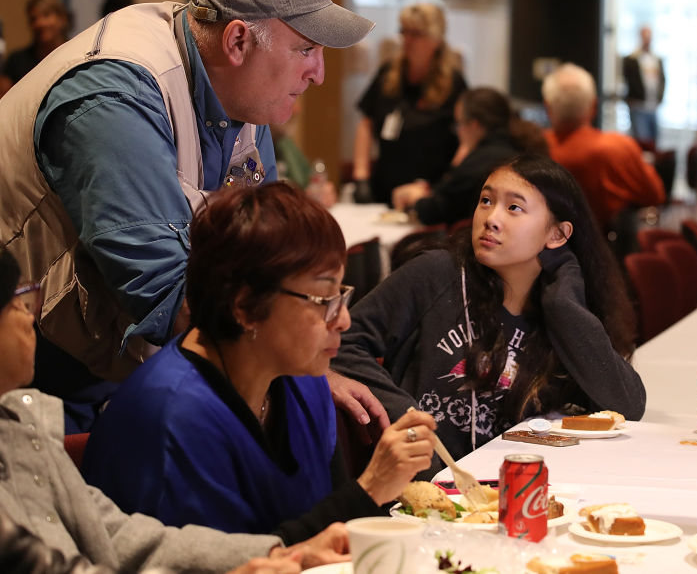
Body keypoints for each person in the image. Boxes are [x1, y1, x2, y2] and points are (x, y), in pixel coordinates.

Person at [0, 0, 380, 433]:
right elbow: (166, 291)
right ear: (238, 41)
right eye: (306, 49)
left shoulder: (241, 91)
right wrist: (303, 368)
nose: (319, 73)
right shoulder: (114, 95)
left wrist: (310, 354)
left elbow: (275, 254)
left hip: (109, 362)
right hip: (37, 378)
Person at [82, 183, 437, 538]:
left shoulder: (304, 381)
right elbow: (228, 564)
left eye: (340, 293)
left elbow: (329, 531)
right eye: (323, 299)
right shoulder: (168, 416)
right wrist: (370, 488)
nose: (343, 319)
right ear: (245, 308)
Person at [0, 245, 353, 574]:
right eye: (18, 300)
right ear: (245, 307)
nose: (29, 316)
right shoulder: (172, 409)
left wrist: (279, 553)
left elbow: (116, 533)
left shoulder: (16, 422)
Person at [330, 154, 646, 462]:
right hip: (428, 487)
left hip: (523, 487)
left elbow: (627, 406)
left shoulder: (563, 310)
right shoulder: (436, 274)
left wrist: (564, 307)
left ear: (557, 234)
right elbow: (340, 340)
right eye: (486, 201)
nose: (491, 219)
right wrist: (402, 410)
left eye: (514, 208)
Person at [352, 1, 467, 205]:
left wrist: (448, 183)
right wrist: (361, 176)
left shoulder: (453, 84)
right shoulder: (389, 74)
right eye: (404, 32)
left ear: (436, 40)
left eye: (417, 34)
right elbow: (366, 124)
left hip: (427, 195)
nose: (407, 40)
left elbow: (468, 139)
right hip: (384, 188)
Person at [391, 86, 547, 225]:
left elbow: (438, 209)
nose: (457, 131)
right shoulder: (517, 147)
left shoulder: (485, 160)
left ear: (474, 125)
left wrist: (416, 200)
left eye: (459, 123)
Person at [543, 63, 665, 230]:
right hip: (608, 250)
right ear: (594, 107)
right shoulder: (619, 148)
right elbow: (656, 194)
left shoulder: (532, 150)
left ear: (547, 108)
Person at [1, 0, 70, 85]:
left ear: (62, 19)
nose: (40, 23)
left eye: (46, 15)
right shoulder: (17, 61)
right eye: (34, 19)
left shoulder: (76, 56)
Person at [622, 25, 665, 146]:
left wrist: (660, 98)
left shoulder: (656, 59)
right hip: (638, 107)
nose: (647, 40)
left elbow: (662, 80)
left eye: (649, 37)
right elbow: (626, 80)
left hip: (653, 107)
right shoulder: (631, 60)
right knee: (641, 142)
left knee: (654, 142)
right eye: (645, 37)